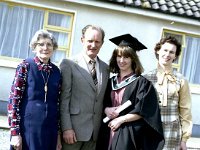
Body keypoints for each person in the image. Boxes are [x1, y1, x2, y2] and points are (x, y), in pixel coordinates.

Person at [96, 34, 164, 150]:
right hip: (106, 130)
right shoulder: (110, 81)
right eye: (119, 56)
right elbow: (101, 103)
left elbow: (145, 111)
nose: (121, 61)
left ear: (133, 59)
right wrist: (106, 109)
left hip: (127, 133)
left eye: (126, 57)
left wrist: (121, 119)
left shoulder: (142, 83)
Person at [7, 30, 62, 150]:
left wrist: (58, 135)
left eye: (49, 44)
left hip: (50, 131)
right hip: (28, 129)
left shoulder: (56, 71)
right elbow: (13, 101)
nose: (45, 48)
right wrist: (15, 134)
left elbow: (57, 105)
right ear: (34, 47)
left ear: (54, 48)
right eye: (41, 44)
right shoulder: (25, 66)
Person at [60, 24, 109, 150]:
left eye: (97, 41)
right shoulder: (69, 64)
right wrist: (66, 128)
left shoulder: (105, 68)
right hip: (73, 132)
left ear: (102, 43)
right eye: (90, 41)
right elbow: (64, 99)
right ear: (82, 40)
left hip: (94, 134)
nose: (93, 45)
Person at [145, 36, 193, 150]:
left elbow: (185, 111)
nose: (167, 54)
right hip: (150, 130)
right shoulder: (145, 78)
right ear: (158, 50)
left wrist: (184, 139)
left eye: (172, 52)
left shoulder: (181, 80)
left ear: (175, 56)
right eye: (165, 50)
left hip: (172, 133)